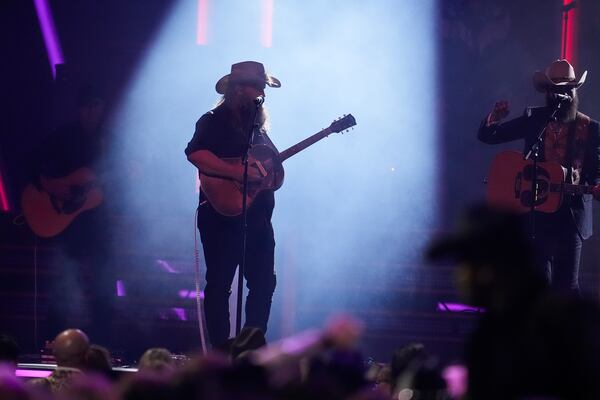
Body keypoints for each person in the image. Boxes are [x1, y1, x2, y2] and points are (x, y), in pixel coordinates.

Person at [427, 204, 600, 399]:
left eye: (465, 264)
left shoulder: (566, 322)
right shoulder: (489, 334)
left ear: (488, 269)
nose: (459, 277)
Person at [477, 59, 600, 294]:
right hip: (535, 214)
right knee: (537, 285)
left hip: (571, 217)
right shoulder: (534, 120)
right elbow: (489, 136)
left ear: (575, 91)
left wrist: (596, 186)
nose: (562, 94)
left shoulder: (591, 129)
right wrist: (494, 117)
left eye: (567, 89)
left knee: (566, 287)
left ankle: (567, 330)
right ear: (548, 92)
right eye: (557, 89)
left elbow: (596, 173)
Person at [185, 61, 280, 348]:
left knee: (264, 282)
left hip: (258, 219)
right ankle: (219, 350)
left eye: (264, 86)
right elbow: (195, 153)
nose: (262, 92)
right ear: (238, 90)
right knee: (219, 285)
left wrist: (269, 174)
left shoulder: (259, 132)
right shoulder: (213, 120)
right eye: (258, 86)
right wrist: (237, 172)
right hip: (220, 218)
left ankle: (252, 344)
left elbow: (270, 171)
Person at [35, 85, 116, 346]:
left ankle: (103, 343)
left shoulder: (110, 139)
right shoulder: (63, 136)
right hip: (68, 221)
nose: (92, 111)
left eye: (97, 105)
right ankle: (52, 339)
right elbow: (37, 168)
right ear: (80, 109)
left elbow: (115, 181)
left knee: (105, 280)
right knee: (63, 277)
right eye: (87, 106)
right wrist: (53, 185)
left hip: (99, 222)